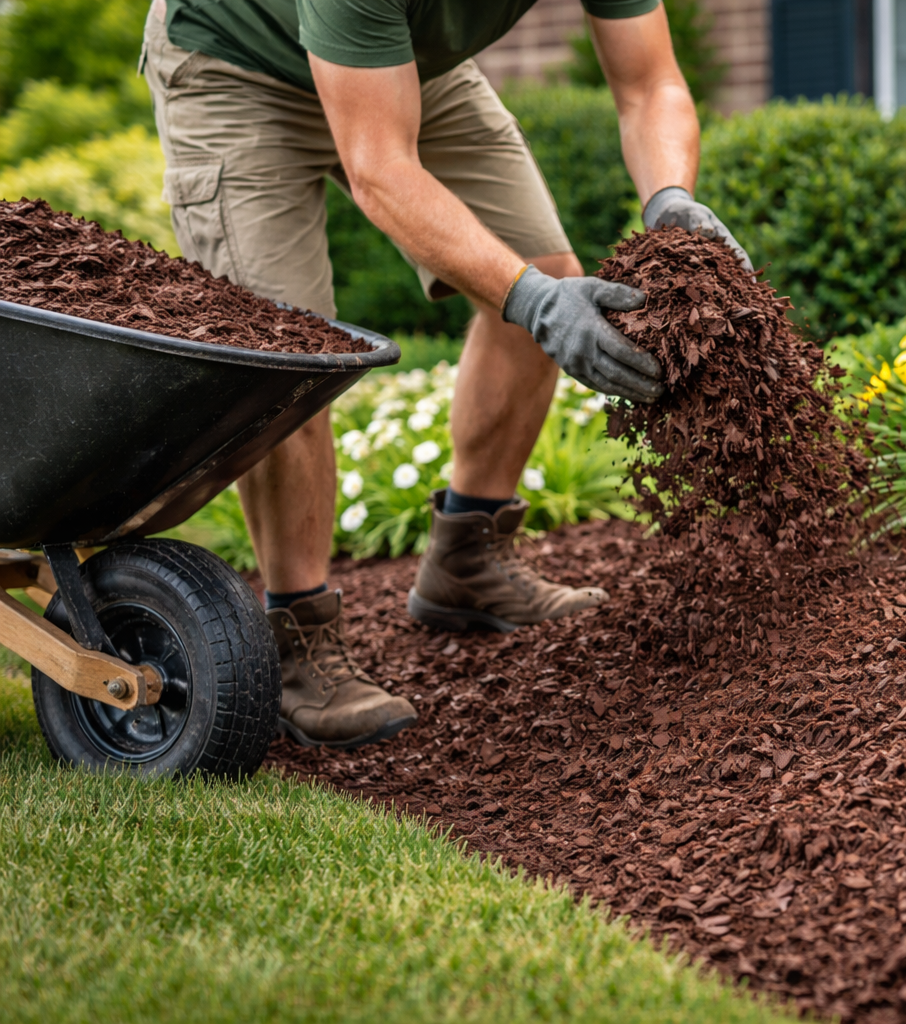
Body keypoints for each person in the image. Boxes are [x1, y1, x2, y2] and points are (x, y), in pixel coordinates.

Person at [141, 0, 749, 750]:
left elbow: (650, 83)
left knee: (545, 273)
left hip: (400, 64)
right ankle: (297, 640)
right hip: (238, 67)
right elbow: (380, 169)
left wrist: (672, 199)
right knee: (289, 353)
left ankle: (467, 559)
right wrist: (533, 301)